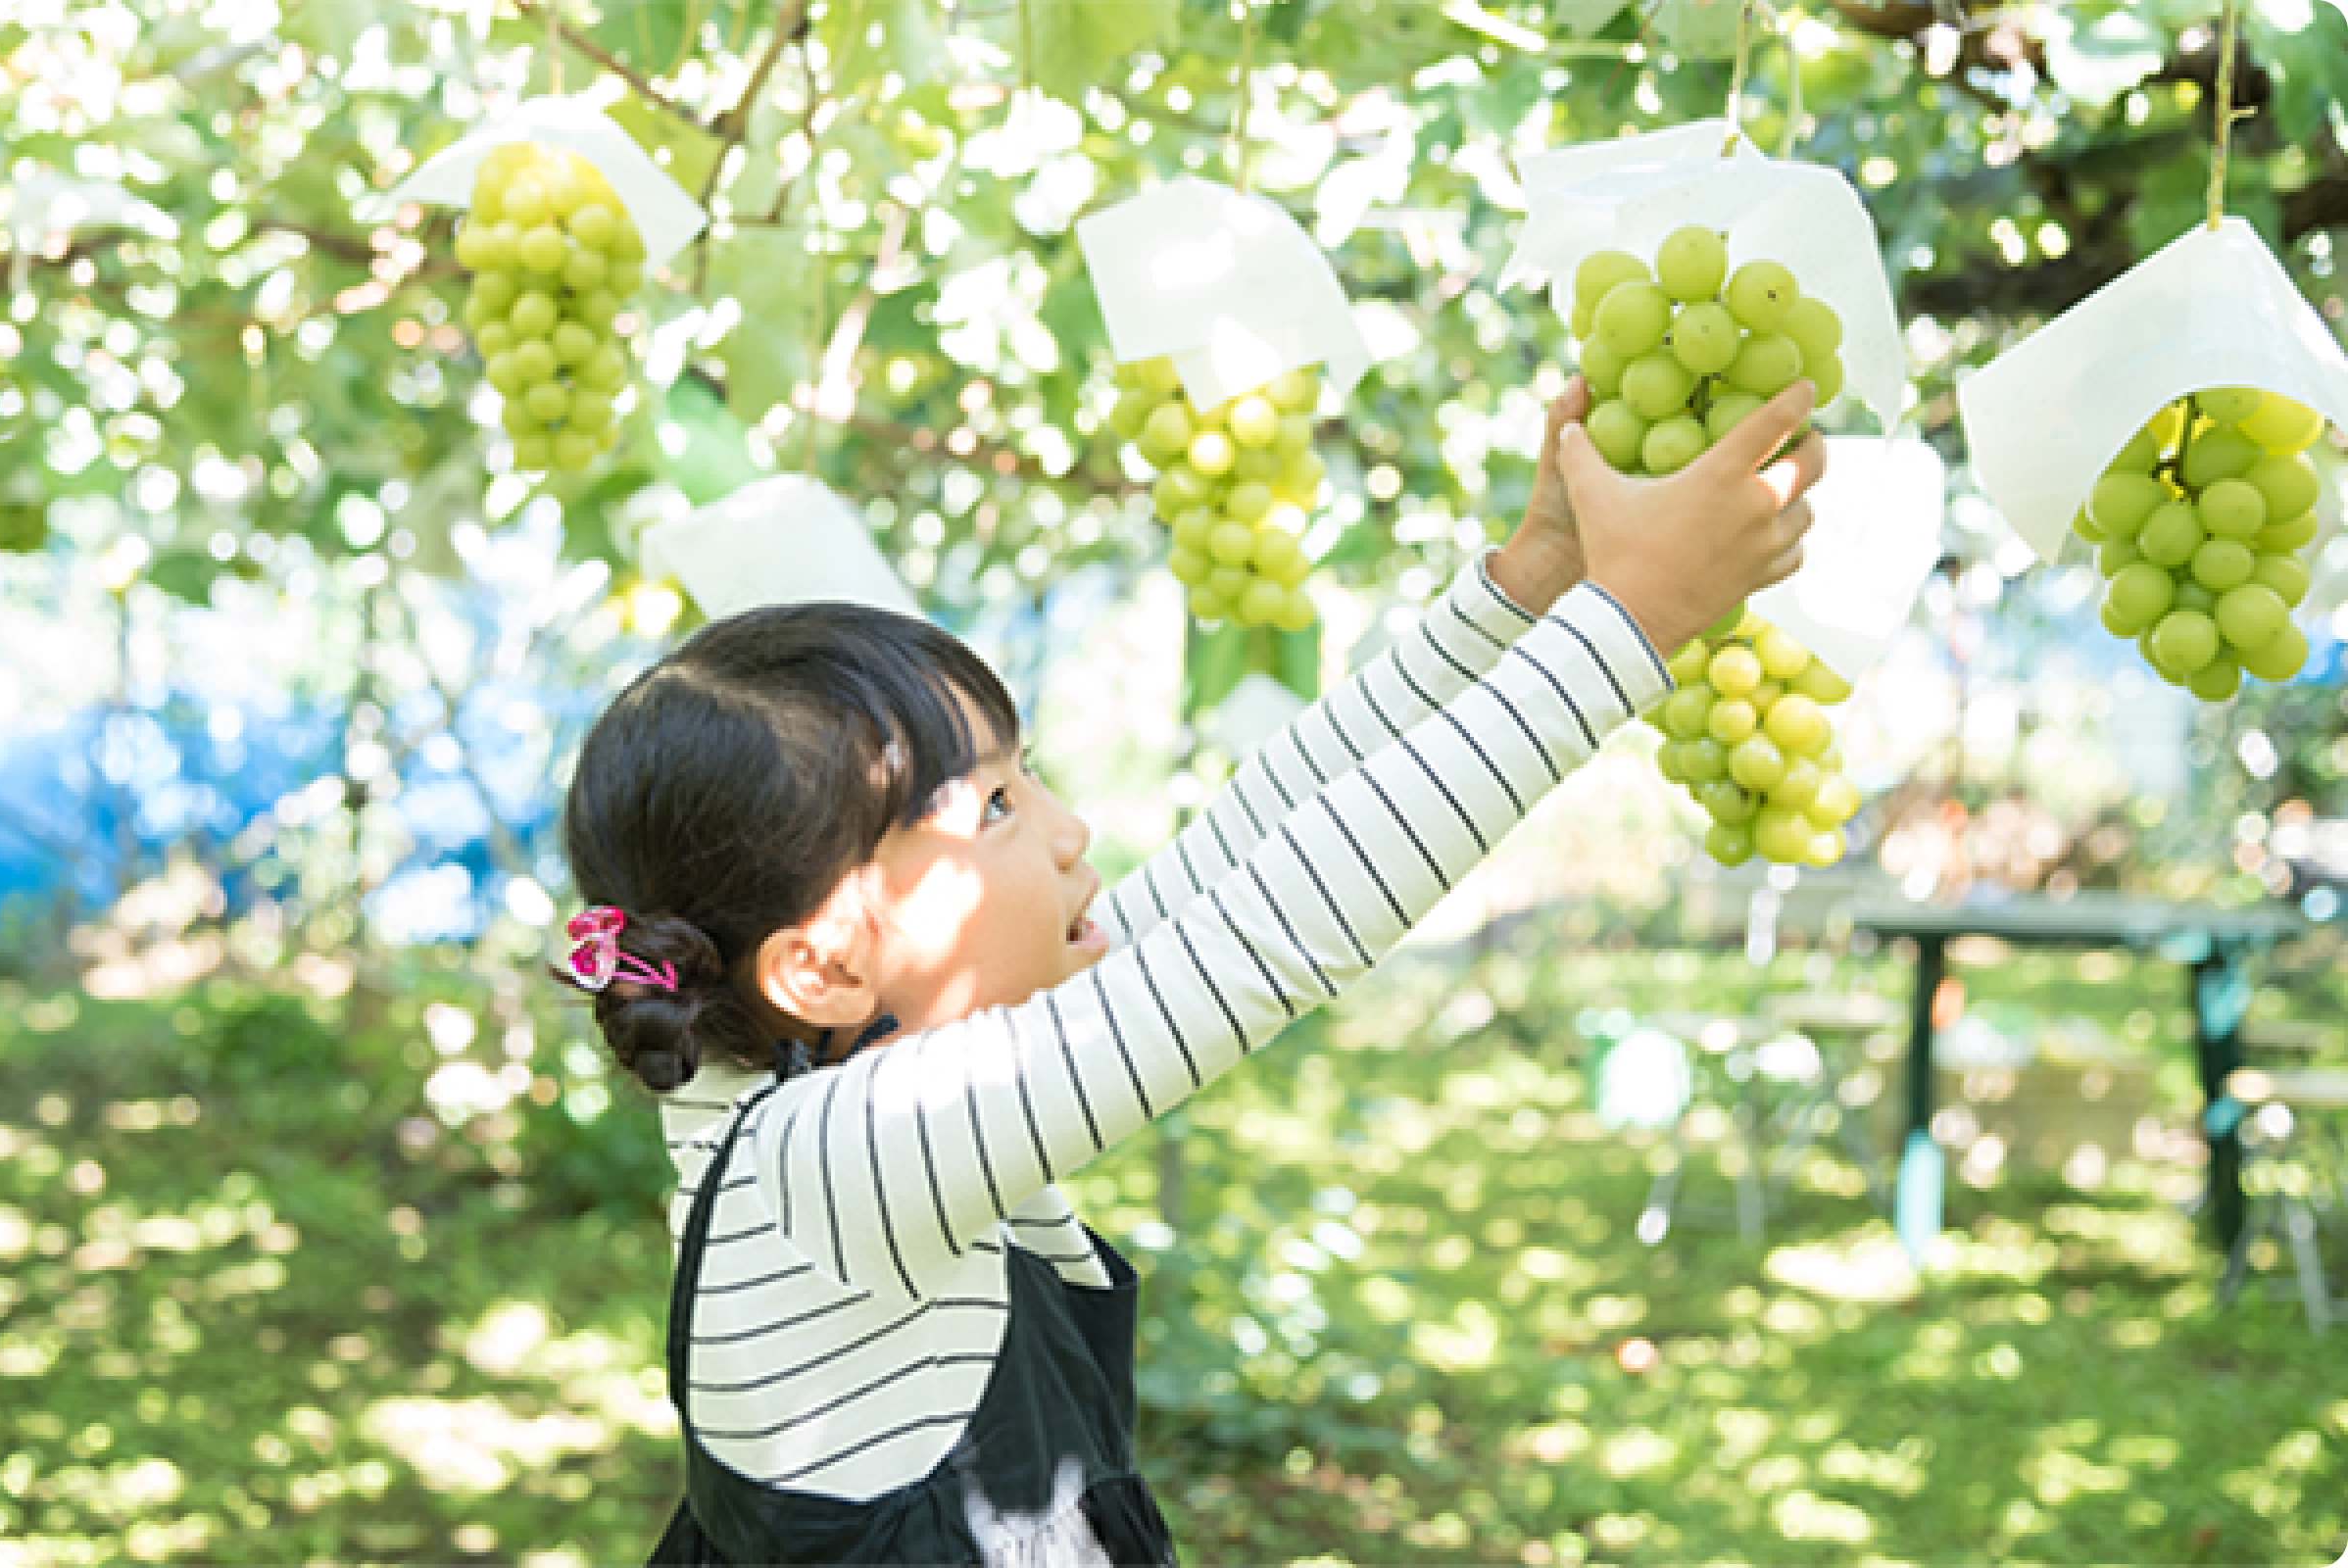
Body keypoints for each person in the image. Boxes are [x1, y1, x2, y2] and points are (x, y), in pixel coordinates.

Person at [557, 375, 1825, 1565]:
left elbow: (1247, 846)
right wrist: (1629, 628)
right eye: (993, 805)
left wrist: (1528, 591)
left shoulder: (820, 1073)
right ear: (826, 965)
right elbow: (1263, 936)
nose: (1067, 829)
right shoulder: (828, 1163)